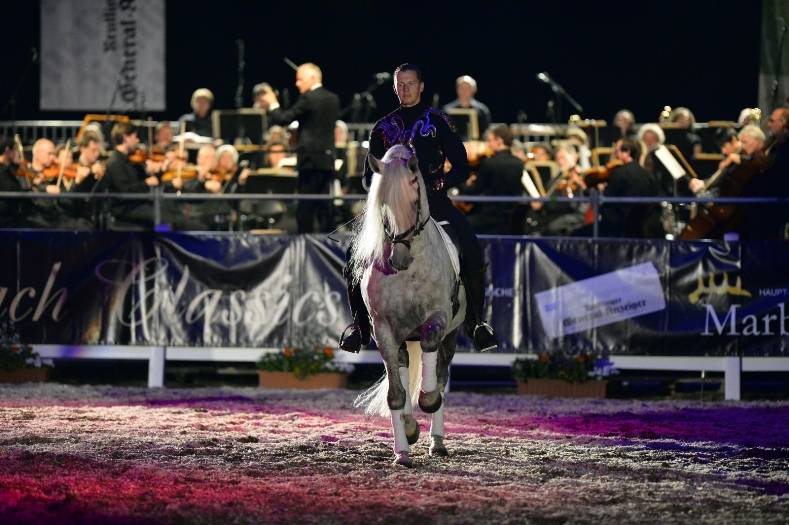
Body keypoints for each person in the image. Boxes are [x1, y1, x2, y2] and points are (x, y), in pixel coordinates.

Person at [339, 63, 498, 353]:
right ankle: (359, 327)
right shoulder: (382, 127)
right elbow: (366, 176)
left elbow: (461, 167)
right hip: (392, 211)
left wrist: (439, 183)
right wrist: (384, 187)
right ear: (395, 88)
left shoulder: (439, 121)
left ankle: (477, 324)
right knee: (352, 253)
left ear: (421, 86)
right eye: (400, 85)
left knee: (471, 245)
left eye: (410, 84)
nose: (405, 89)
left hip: (434, 204)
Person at [258, 63, 340, 233]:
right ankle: (331, 247)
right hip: (326, 160)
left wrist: (273, 103)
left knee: (305, 207)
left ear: (312, 78)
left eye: (300, 79)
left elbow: (283, 118)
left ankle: (304, 246)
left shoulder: (308, 98)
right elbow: (317, 125)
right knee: (325, 206)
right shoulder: (333, 99)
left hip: (309, 160)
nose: (297, 84)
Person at [100, 122, 201, 230]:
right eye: (135, 137)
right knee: (167, 218)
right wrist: (147, 183)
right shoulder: (115, 163)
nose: (138, 141)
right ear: (126, 138)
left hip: (139, 204)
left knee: (171, 211)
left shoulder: (131, 161)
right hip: (126, 208)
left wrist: (163, 168)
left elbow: (152, 181)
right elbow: (126, 190)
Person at [574, 137, 657, 237]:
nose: (615, 155)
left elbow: (605, 201)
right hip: (641, 228)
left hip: (617, 227)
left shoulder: (620, 173)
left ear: (627, 152)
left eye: (617, 151)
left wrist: (587, 190)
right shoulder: (648, 175)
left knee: (576, 234)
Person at [459, 125, 524, 234]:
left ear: (499, 140)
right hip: (510, 219)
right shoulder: (519, 163)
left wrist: (457, 179)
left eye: (490, 140)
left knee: (456, 225)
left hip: (490, 217)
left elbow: (474, 191)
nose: (488, 144)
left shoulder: (490, 163)